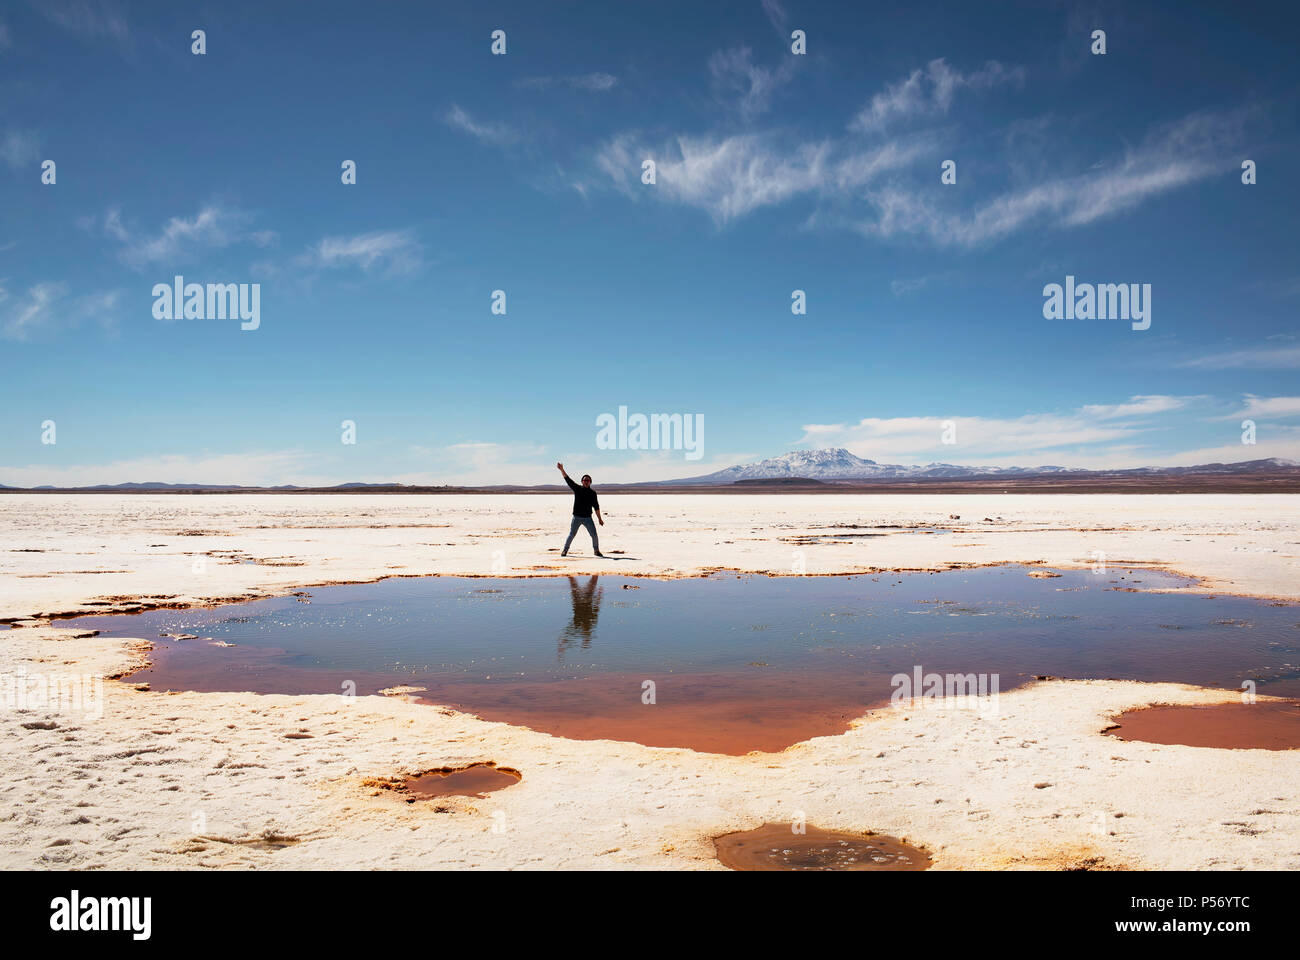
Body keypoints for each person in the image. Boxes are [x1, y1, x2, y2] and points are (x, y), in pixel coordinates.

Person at [556, 461, 604, 557]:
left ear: (590, 482)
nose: (586, 481)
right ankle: (565, 550)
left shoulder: (593, 493)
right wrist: (562, 469)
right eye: (585, 480)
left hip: (588, 518)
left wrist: (599, 518)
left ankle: (596, 550)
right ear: (582, 481)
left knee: (594, 535)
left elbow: (596, 507)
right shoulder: (577, 489)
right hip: (576, 517)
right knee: (572, 534)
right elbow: (568, 479)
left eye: (588, 480)